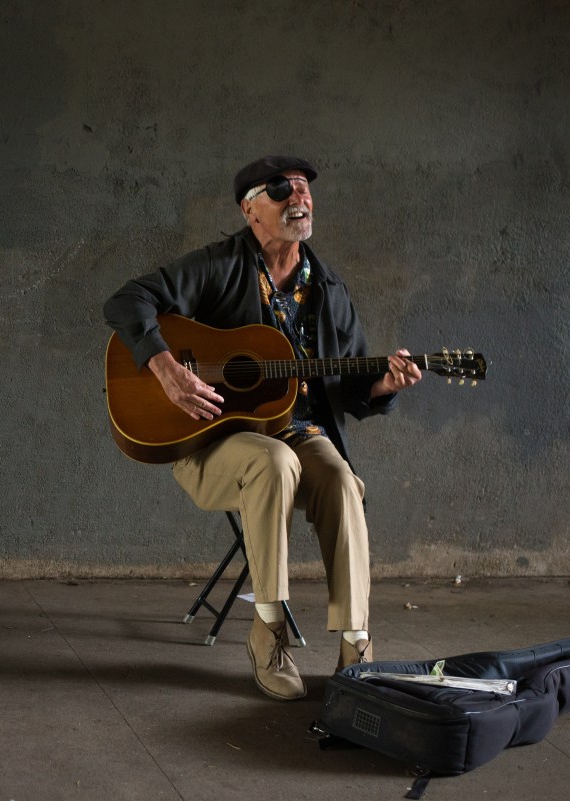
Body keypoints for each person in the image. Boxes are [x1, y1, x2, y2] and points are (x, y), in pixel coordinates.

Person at [103, 155, 422, 701]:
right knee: (274, 461)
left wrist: (383, 386)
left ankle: (357, 645)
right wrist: (166, 369)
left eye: (304, 188)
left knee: (342, 482)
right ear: (250, 211)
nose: (299, 197)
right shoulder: (219, 266)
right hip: (213, 442)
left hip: (298, 435)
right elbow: (126, 301)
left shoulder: (328, 289)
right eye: (281, 189)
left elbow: (350, 386)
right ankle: (268, 633)